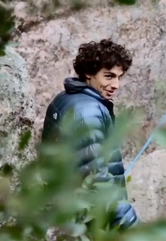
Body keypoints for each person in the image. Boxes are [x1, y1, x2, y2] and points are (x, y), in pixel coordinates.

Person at [41, 39, 139, 231]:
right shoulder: (86, 111)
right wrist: (133, 227)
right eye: (109, 76)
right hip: (83, 221)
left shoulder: (67, 98)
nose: (116, 84)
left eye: (119, 77)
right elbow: (97, 180)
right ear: (88, 73)